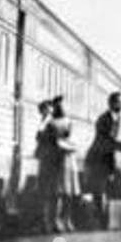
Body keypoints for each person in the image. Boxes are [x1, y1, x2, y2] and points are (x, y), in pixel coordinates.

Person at [84, 92, 121, 229]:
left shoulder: (116, 118)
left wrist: (120, 147)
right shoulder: (104, 119)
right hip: (97, 158)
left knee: (114, 188)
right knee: (100, 191)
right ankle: (102, 222)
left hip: (107, 157)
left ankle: (116, 220)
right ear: (111, 103)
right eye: (118, 102)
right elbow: (104, 141)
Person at [48, 98, 81, 232]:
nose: (62, 108)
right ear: (55, 108)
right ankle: (57, 220)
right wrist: (65, 144)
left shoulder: (69, 122)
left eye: (63, 105)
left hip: (70, 161)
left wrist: (66, 144)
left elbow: (73, 141)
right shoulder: (51, 124)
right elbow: (54, 143)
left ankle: (67, 219)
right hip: (58, 161)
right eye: (59, 106)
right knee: (59, 193)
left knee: (69, 194)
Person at [34, 99, 58, 234]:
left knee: (51, 192)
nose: (46, 111)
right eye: (44, 109)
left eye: (47, 109)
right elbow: (38, 137)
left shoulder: (51, 123)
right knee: (44, 192)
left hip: (51, 161)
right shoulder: (44, 122)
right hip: (45, 160)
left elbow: (50, 140)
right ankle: (45, 223)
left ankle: (50, 224)